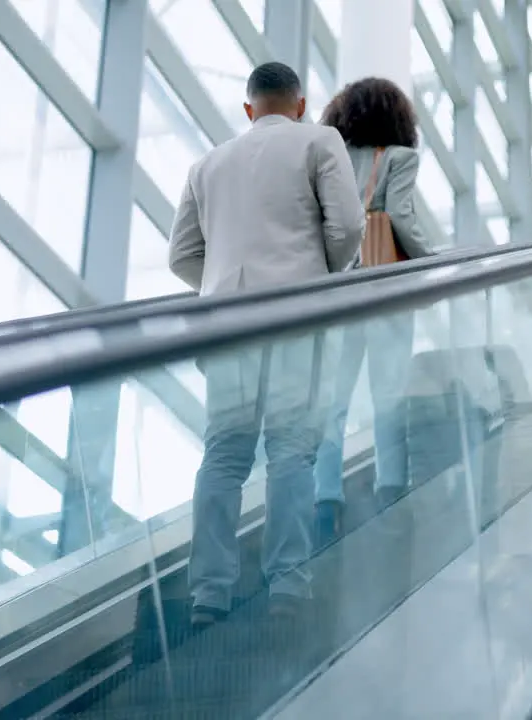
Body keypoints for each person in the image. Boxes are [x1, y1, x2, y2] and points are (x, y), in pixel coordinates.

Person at [169, 62, 365, 625]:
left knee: (224, 455)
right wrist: (317, 276)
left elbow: (181, 256)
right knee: (290, 450)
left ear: (249, 110)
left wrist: (222, 289)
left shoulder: (207, 164)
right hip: (294, 319)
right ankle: (287, 584)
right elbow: (349, 226)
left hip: (227, 326)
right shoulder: (318, 139)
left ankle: (208, 593)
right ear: (300, 105)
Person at [313, 77, 433, 547]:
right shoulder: (400, 159)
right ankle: (391, 495)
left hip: (339, 293)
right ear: (398, 118)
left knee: (333, 403)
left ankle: (326, 503)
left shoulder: (332, 158)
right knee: (388, 397)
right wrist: (430, 263)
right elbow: (400, 216)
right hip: (386, 291)